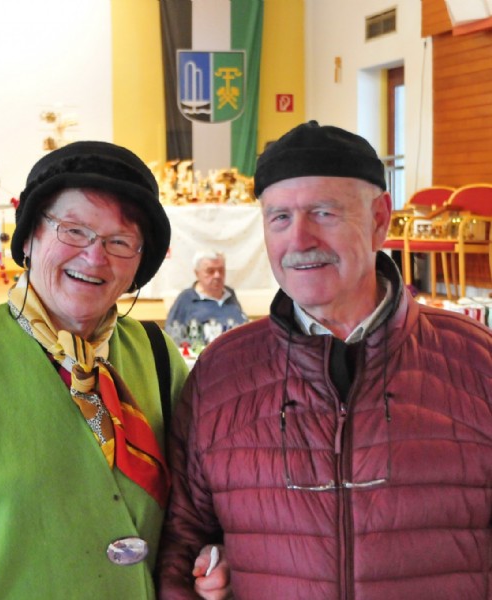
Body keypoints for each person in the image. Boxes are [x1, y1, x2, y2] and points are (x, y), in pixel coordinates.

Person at [157, 121, 492, 599]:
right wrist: (209, 571)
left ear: (380, 219)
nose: (300, 240)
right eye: (280, 218)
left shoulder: (476, 363)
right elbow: (182, 544)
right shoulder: (221, 374)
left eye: (324, 212)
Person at [0, 141, 227, 599]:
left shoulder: (155, 355)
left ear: (139, 264)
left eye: (120, 241)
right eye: (74, 231)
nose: (95, 257)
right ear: (30, 236)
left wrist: (211, 559)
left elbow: (196, 510)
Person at [165, 249, 247, 346]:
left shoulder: (230, 294)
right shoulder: (186, 298)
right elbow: (171, 336)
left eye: (221, 270)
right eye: (210, 271)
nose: (217, 275)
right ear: (197, 273)